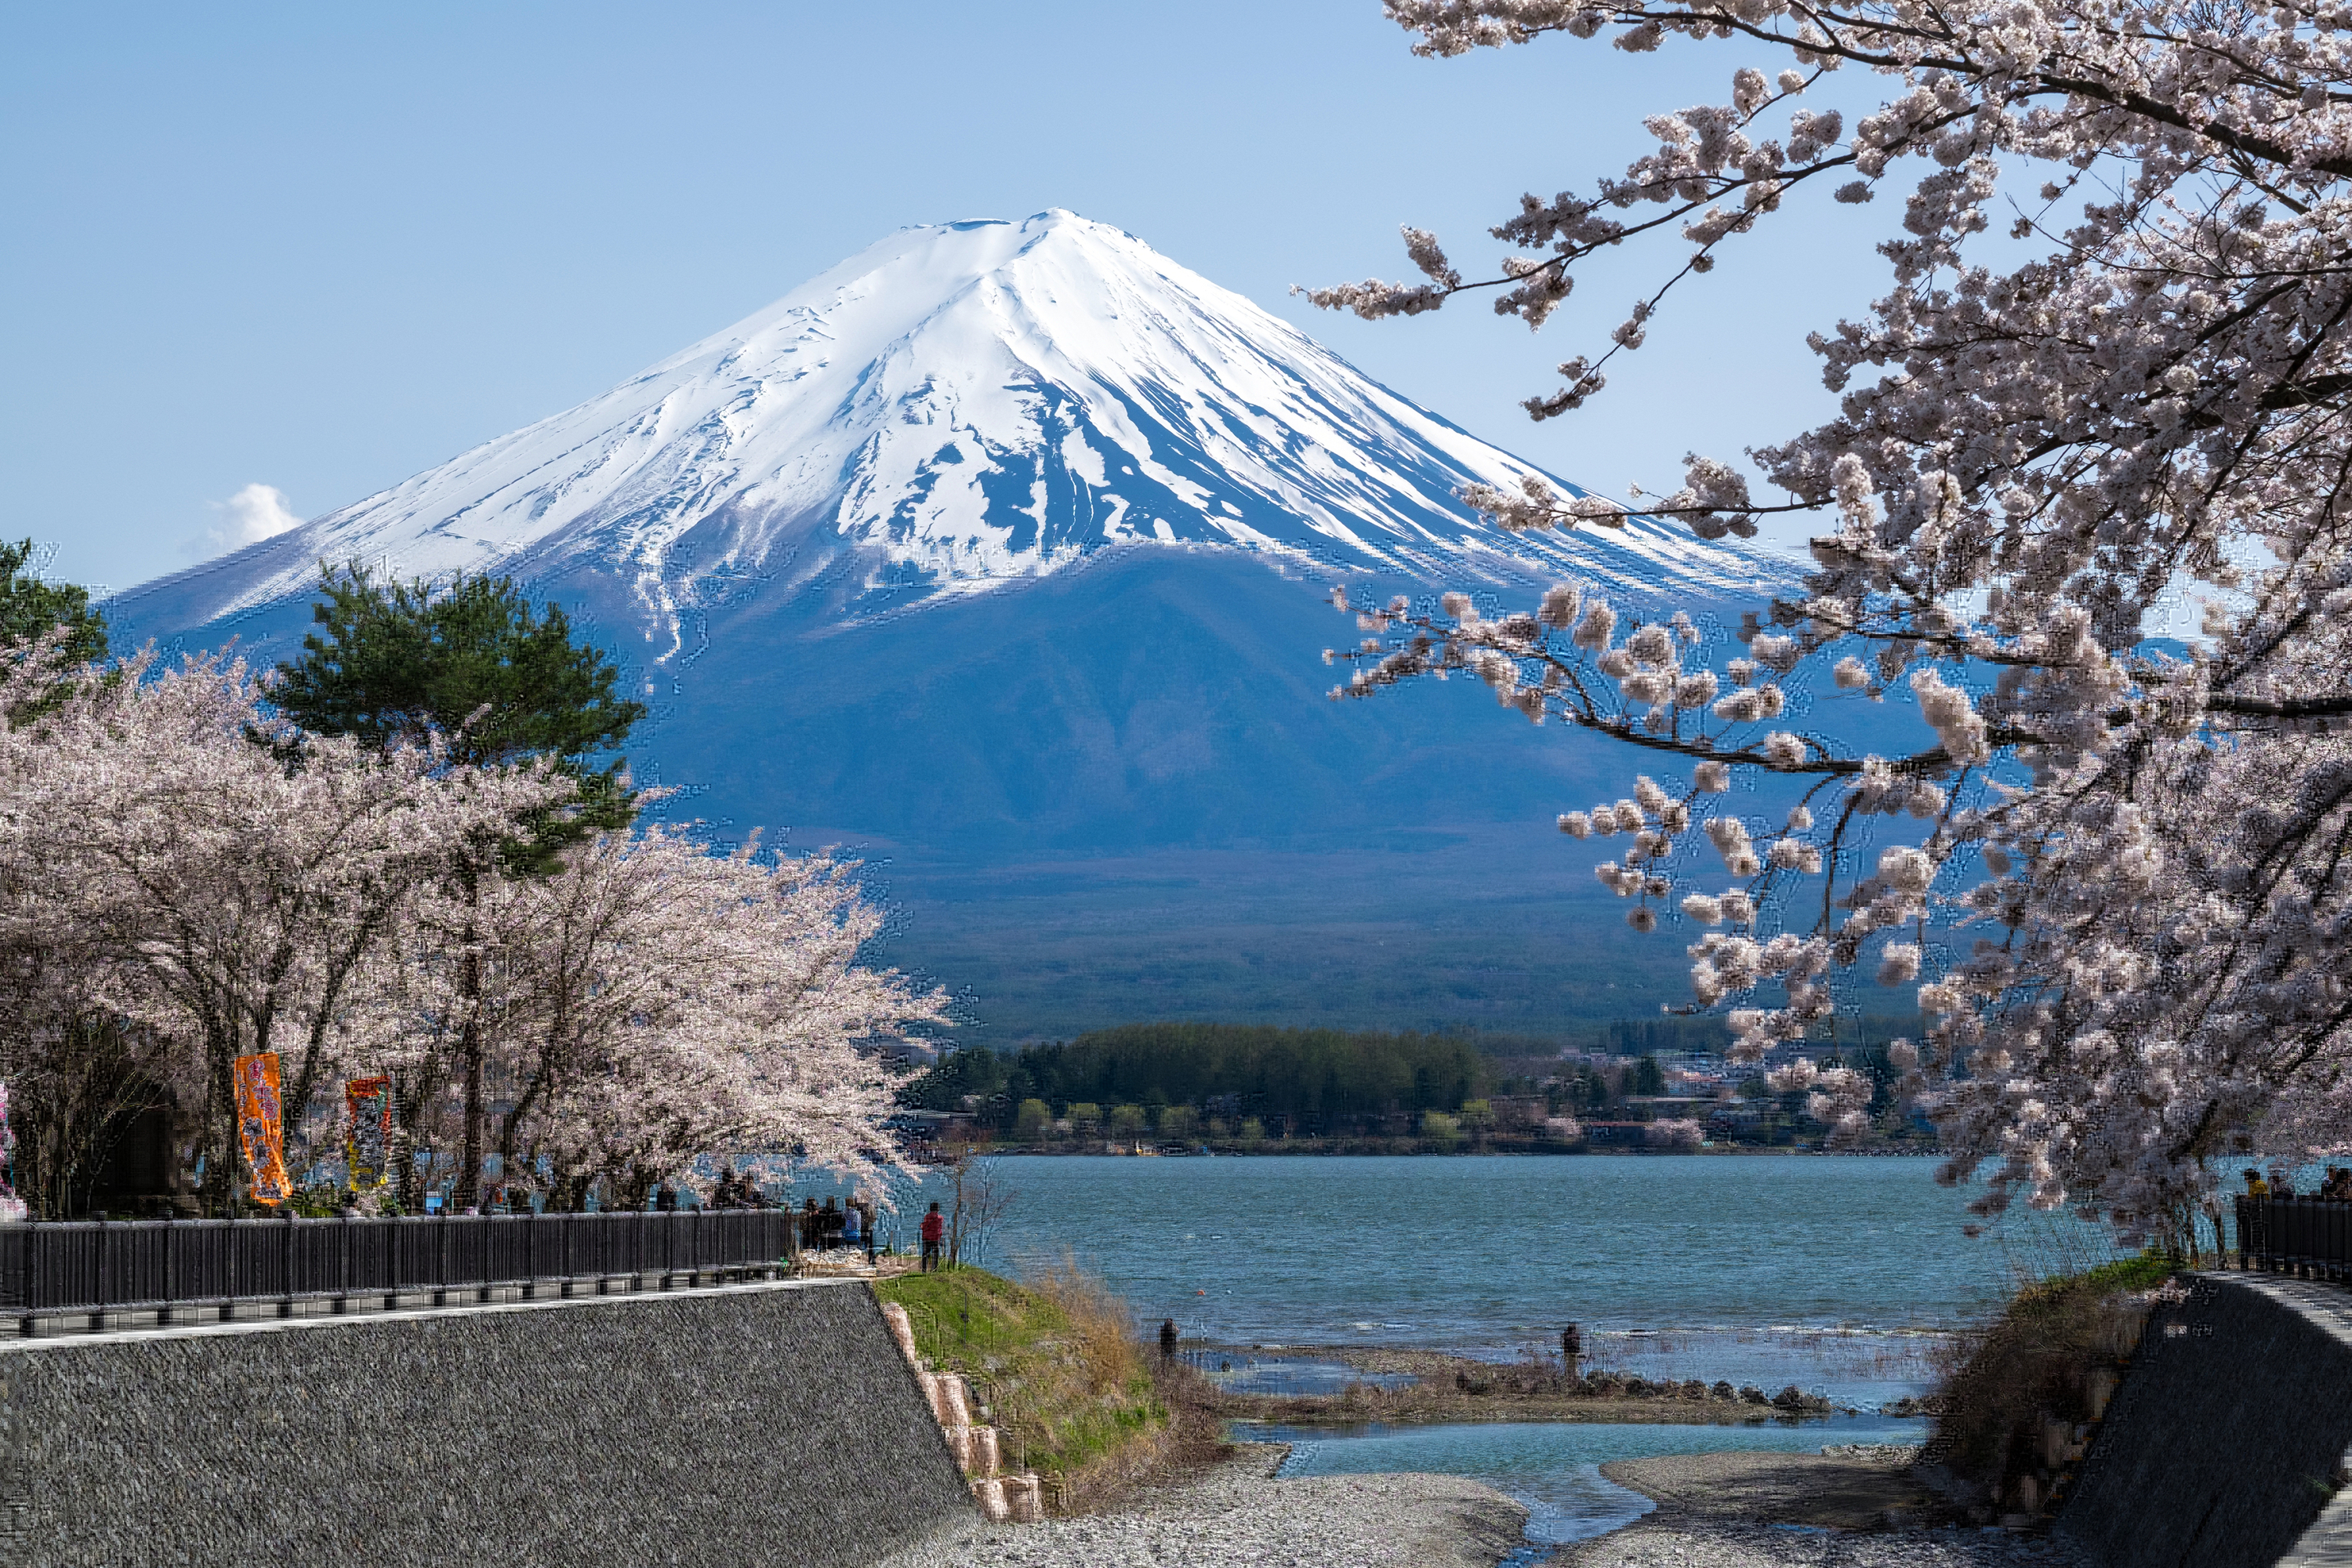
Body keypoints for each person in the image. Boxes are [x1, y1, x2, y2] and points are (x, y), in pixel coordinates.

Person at [920, 1201, 946, 1272]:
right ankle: (934, 1269)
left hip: (927, 1237)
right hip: (936, 1238)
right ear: (938, 1209)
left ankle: (924, 1269)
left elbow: (924, 1226)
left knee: (925, 1254)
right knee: (935, 1255)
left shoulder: (927, 1217)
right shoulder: (940, 1218)